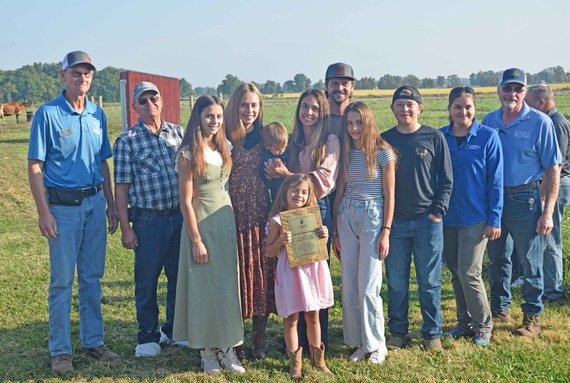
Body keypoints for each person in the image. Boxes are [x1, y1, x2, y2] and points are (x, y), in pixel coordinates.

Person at [27, 50, 120, 375]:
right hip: (62, 209)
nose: (83, 79)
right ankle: (61, 351)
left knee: (92, 279)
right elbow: (35, 166)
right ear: (63, 75)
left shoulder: (97, 114)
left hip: (95, 205)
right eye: (76, 73)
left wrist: (110, 205)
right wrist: (43, 212)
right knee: (62, 282)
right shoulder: (48, 114)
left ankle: (93, 341)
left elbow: (103, 164)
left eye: (87, 74)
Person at [483, 68, 561, 338]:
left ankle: (531, 317)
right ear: (499, 91)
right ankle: (499, 309)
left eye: (518, 89)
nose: (512, 94)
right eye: (507, 88)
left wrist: (547, 212)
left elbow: (553, 168)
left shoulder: (540, 122)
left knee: (530, 261)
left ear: (525, 93)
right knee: (497, 259)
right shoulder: (489, 120)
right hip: (494, 199)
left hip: (525, 199)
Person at [172, 95, 245, 374]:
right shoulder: (189, 153)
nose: (214, 122)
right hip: (201, 224)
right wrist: (196, 240)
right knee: (204, 288)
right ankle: (207, 352)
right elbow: (185, 200)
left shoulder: (224, 146)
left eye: (218, 116)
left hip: (225, 221)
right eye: (208, 116)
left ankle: (228, 348)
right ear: (197, 117)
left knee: (227, 287)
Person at [113, 81, 186, 357]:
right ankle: (147, 336)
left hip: (178, 217)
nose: (149, 104)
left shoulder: (178, 133)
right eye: (142, 101)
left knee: (178, 278)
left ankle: (174, 329)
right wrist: (125, 228)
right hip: (148, 221)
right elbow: (121, 188)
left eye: (153, 98)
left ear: (161, 101)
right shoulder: (127, 141)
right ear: (134, 107)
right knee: (147, 281)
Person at [266, 88, 340, 352]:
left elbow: (325, 178)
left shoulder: (330, 141)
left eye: (315, 108)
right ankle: (294, 339)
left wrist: (287, 175)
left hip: (315, 206)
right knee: (292, 272)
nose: (309, 113)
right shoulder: (294, 140)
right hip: (290, 206)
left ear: (322, 113)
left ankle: (319, 344)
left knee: (314, 274)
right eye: (304, 107)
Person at [381, 86, 453, 351]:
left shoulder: (433, 137)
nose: (405, 109)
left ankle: (432, 333)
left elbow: (446, 180)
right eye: (399, 104)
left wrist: (437, 213)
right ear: (392, 109)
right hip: (395, 223)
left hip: (427, 222)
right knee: (397, 283)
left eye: (410, 104)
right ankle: (398, 332)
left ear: (420, 108)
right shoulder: (384, 140)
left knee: (429, 282)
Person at [332, 102, 395, 363]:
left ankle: (377, 344)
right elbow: (340, 190)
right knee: (350, 284)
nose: (354, 128)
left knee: (368, 285)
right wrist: (335, 229)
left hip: (372, 216)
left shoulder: (383, 152)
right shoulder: (346, 151)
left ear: (368, 122)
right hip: (347, 215)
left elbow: (390, 196)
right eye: (349, 123)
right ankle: (359, 342)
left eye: (359, 122)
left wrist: (386, 232)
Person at [440, 87, 503, 347]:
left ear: (475, 108)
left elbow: (496, 181)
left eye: (468, 107)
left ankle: (483, 325)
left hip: (476, 218)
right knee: (456, 273)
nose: (463, 112)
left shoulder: (488, 137)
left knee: (469, 272)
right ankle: (463, 323)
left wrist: (494, 218)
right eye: (457, 107)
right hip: (446, 218)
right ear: (449, 109)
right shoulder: (440, 137)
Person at [224, 83, 275, 360]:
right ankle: (237, 339)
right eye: (244, 105)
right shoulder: (224, 134)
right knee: (237, 273)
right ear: (235, 106)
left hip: (258, 208)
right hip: (231, 208)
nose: (250, 110)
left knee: (259, 271)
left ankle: (260, 338)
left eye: (254, 105)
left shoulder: (265, 135)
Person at [266, 174, 334, 379]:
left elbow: (320, 244)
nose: (299, 195)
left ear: (309, 195)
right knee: (292, 317)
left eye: (304, 192)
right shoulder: (278, 220)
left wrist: (324, 234)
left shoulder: (313, 217)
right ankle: (295, 364)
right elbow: (268, 251)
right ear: (285, 192)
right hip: (290, 272)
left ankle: (318, 360)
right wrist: (280, 242)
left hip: (312, 270)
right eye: (295, 191)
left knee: (313, 314)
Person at [525, 84, 570, 302]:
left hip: (556, 185)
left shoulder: (554, 123)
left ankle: (553, 290)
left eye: (529, 103)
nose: (527, 109)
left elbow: (555, 167)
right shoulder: (553, 120)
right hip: (552, 184)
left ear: (540, 103)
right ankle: (544, 284)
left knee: (550, 237)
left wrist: (543, 198)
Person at [324, 62, 355, 136]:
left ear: (352, 86)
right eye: (335, 83)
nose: (340, 88)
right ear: (326, 86)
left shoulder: (360, 120)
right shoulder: (316, 120)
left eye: (345, 83)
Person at [261, 121, 289, 203]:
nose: (281, 151)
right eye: (277, 149)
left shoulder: (286, 153)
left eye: (284, 147)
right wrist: (274, 165)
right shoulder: (267, 156)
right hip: (276, 190)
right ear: (267, 146)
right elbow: (266, 170)